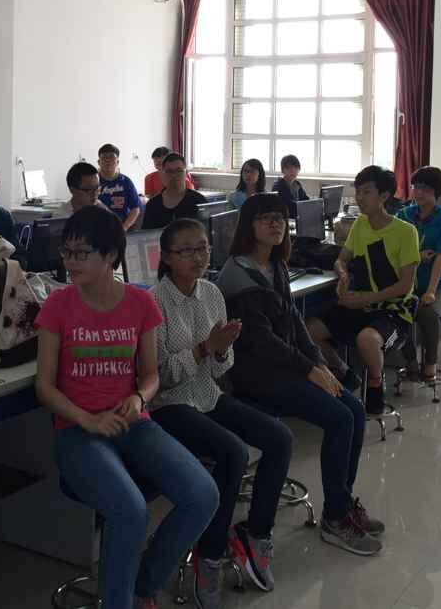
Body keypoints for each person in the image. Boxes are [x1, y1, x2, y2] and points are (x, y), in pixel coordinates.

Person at [35, 207, 218, 609]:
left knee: (203, 494)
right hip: (78, 432)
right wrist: (87, 419)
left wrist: (139, 398)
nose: (70, 262)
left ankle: (141, 586)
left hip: (133, 422)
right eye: (67, 252)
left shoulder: (139, 303)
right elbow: (44, 387)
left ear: (110, 257)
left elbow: (150, 375)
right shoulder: (58, 305)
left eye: (81, 253)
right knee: (130, 511)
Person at [216, 193, 384, 556]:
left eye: (279, 217)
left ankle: (341, 504)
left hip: (284, 367)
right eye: (265, 218)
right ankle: (335, 519)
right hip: (256, 376)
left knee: (354, 410)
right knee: (340, 418)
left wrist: (320, 363)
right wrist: (309, 370)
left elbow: (294, 321)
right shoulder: (238, 275)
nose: (275, 224)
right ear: (248, 225)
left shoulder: (274, 264)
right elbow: (263, 343)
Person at [150, 219, 293, 605]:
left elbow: (218, 370)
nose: (198, 257)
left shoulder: (212, 293)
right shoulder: (154, 302)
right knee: (233, 452)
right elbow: (158, 379)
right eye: (187, 250)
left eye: (203, 248)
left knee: (280, 438)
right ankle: (209, 555)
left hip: (207, 395)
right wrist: (204, 348)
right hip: (169, 405)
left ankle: (256, 534)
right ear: (167, 257)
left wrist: (222, 349)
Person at [310, 166, 419, 416]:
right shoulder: (360, 224)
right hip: (359, 304)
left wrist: (366, 299)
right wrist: (343, 275)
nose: (359, 198)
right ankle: (345, 374)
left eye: (366, 192)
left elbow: (405, 285)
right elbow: (341, 259)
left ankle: (376, 385)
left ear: (384, 195)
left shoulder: (405, 232)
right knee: (308, 330)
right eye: (358, 192)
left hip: (394, 311)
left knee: (367, 339)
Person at [396, 166, 441, 383]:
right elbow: (394, 250)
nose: (419, 192)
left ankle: (430, 363)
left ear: (437, 191)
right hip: (406, 285)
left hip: (439, 287)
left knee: (426, 312)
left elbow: (440, 258)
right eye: (416, 187)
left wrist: (431, 291)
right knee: (398, 309)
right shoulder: (403, 215)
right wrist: (417, 255)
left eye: (425, 188)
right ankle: (410, 361)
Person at [142, 153, 208, 230]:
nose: (174, 175)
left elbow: (206, 232)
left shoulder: (199, 201)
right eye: (169, 171)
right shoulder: (153, 205)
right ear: (163, 174)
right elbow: (147, 234)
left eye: (179, 171)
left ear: (186, 173)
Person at [97, 144, 142, 231]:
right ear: (99, 162)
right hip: (98, 227)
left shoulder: (126, 181)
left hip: (123, 226)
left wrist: (124, 227)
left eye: (111, 157)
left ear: (117, 162)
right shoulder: (93, 182)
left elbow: (135, 208)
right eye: (104, 157)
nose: (108, 160)